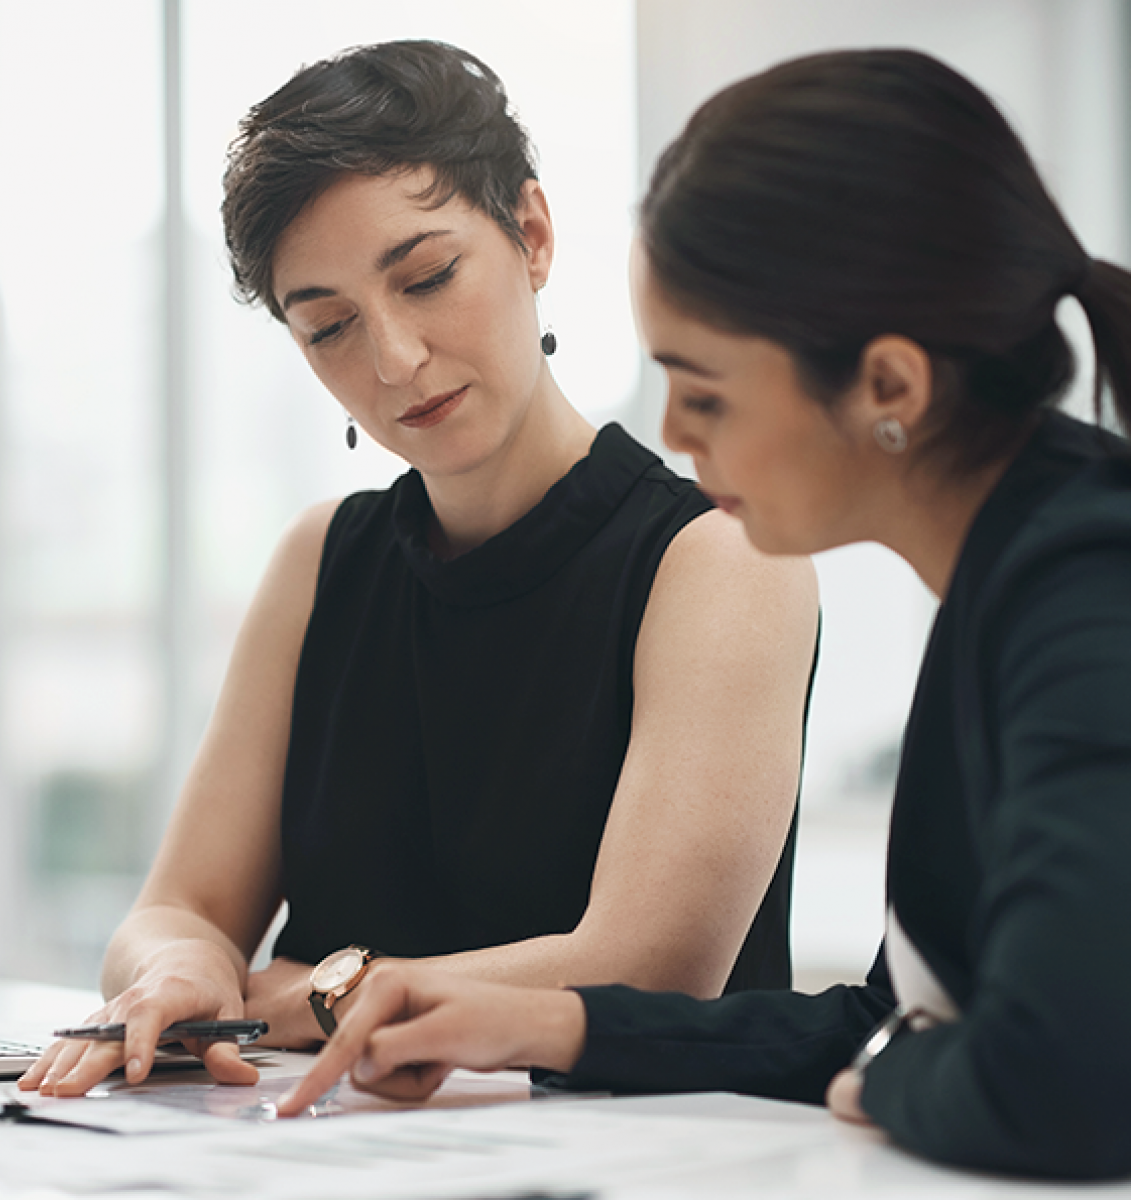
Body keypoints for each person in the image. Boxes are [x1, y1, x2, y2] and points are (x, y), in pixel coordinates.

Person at [273, 48, 1131, 1181]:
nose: (676, 429)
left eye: (704, 389)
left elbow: (1063, 1091)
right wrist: (544, 1023)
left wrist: (891, 1077)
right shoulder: (1011, 577)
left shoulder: (1093, 589)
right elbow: (888, 1011)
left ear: (891, 391)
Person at [20, 41, 817, 1097]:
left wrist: (300, 994)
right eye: (330, 326)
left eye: (429, 277)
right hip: (325, 1153)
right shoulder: (320, 560)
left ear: (531, 236)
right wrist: (181, 968)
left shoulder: (719, 557)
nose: (393, 359)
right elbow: (177, 911)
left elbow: (649, 968)